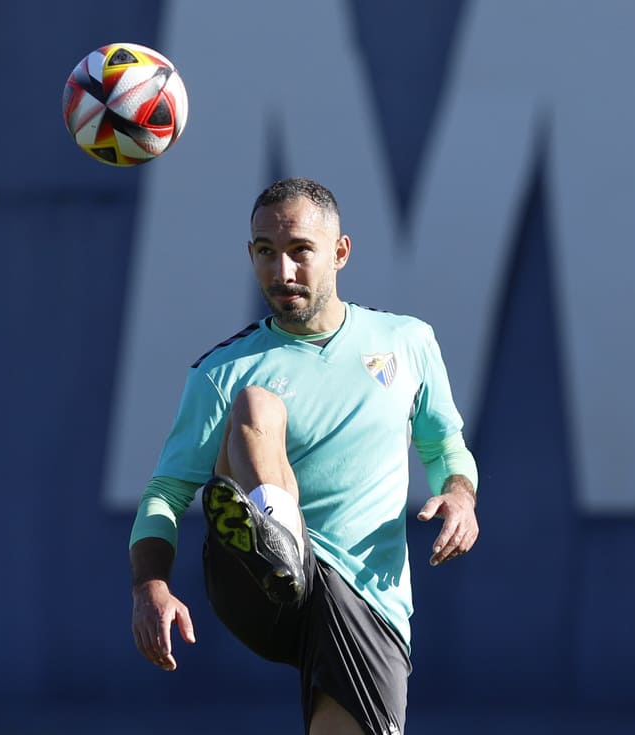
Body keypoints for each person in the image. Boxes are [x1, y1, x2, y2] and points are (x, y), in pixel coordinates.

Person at [129, 177, 480, 735]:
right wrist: (151, 586)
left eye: (300, 251)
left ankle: (283, 546)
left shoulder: (407, 342)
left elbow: (444, 446)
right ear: (250, 255)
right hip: (257, 580)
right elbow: (165, 493)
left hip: (366, 594)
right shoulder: (223, 371)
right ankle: (275, 537)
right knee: (255, 405)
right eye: (266, 253)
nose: (282, 271)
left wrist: (460, 497)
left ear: (340, 253)